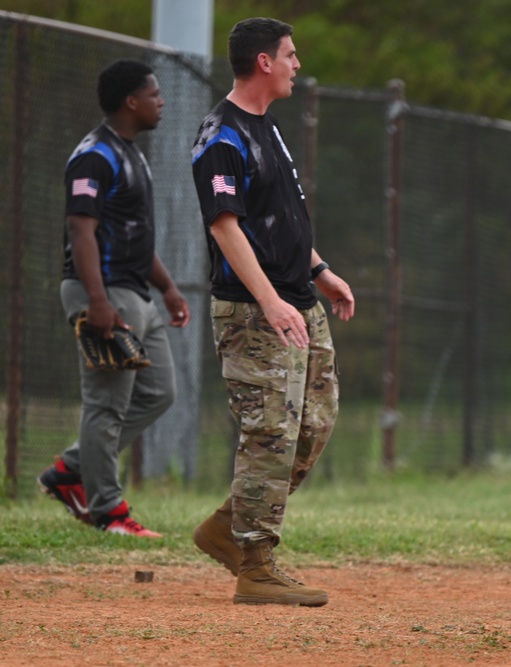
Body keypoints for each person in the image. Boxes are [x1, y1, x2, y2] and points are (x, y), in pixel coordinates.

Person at [190, 17, 356, 608]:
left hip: (297, 301)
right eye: (290, 55)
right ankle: (255, 564)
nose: (297, 64)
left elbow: (279, 217)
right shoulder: (221, 137)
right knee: (271, 433)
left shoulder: (267, 128)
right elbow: (226, 227)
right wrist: (269, 300)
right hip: (254, 311)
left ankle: (225, 527)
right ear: (264, 61)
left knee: (314, 425)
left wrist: (317, 271)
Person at [37, 59, 191, 538]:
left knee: (160, 392)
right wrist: (97, 302)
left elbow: (134, 237)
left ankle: (71, 470)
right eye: (153, 93)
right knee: (105, 406)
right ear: (131, 101)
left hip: (137, 293)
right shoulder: (94, 156)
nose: (160, 101)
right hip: (102, 295)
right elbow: (81, 229)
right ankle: (108, 512)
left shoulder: (132, 154)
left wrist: (166, 287)